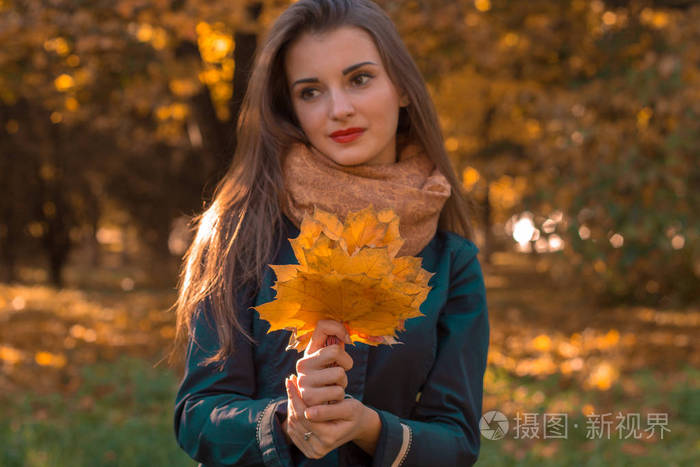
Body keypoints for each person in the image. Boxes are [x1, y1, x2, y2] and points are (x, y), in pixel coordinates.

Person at [171, 0, 489, 465]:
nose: (338, 109)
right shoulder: (240, 233)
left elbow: (457, 441)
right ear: (290, 108)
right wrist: (284, 418)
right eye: (310, 92)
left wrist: (370, 428)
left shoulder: (451, 261)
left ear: (402, 87)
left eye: (359, 79)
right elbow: (197, 416)